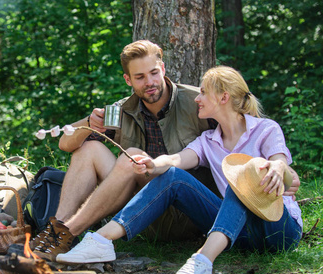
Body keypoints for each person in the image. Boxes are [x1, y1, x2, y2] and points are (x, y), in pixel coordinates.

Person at [32, 40, 300, 262]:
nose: (149, 82)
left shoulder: (197, 103)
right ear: (128, 80)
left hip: (195, 212)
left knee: (140, 155)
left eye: (153, 73)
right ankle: (57, 234)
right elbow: (65, 145)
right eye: (139, 77)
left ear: (162, 68)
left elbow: (260, 142)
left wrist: (282, 169)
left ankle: (72, 234)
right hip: (144, 205)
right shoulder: (122, 112)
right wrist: (89, 125)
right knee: (90, 148)